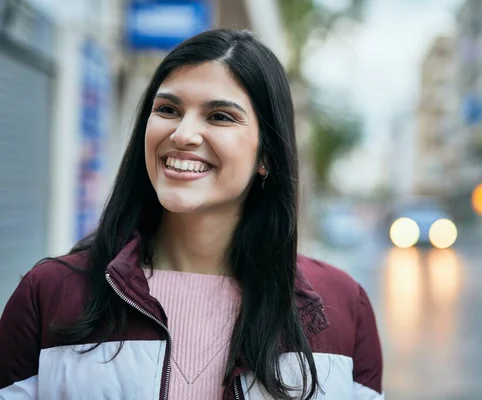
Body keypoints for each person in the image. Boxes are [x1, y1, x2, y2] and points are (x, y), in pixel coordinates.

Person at [0, 29, 383, 400]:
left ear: (266, 155)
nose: (183, 134)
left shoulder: (343, 306)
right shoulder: (49, 293)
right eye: (168, 109)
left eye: (219, 116)